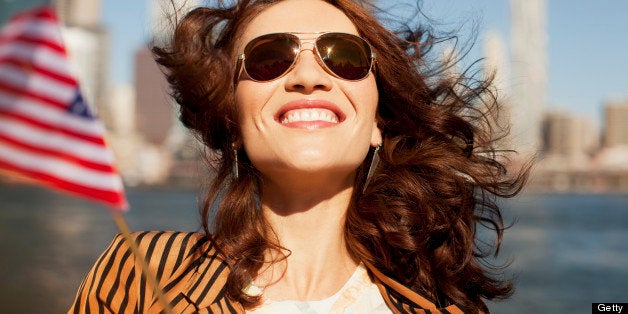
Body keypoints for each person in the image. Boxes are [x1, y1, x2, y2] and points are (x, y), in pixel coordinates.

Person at [70, 0, 529, 313]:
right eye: (270, 58)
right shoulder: (140, 268)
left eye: (343, 57)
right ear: (233, 122)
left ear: (377, 123)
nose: (309, 75)